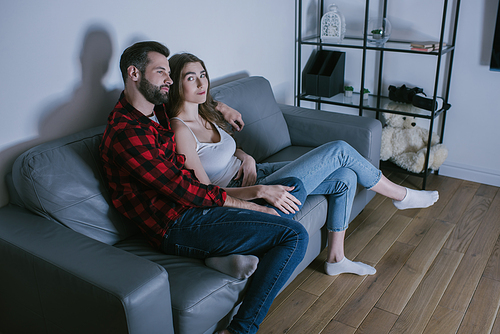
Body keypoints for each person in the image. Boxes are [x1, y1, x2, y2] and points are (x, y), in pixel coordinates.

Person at [165, 52, 440, 278]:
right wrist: (258, 190)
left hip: (254, 171)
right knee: (340, 150)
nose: (201, 83)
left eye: (203, 75)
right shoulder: (180, 130)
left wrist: (245, 156)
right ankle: (401, 195)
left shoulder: (206, 111)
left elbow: (223, 149)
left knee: (344, 176)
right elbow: (204, 191)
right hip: (241, 193)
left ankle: (336, 258)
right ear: (176, 84)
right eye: (191, 78)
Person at [99, 41, 310, 334]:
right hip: (177, 223)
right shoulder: (127, 134)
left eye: (169, 73)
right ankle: (241, 329)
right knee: (294, 235)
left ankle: (225, 253)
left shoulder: (153, 111)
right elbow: (189, 190)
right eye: (161, 72)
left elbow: (192, 105)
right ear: (134, 73)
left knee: (292, 187)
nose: (169, 79)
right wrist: (255, 198)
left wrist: (220, 107)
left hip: (198, 210)